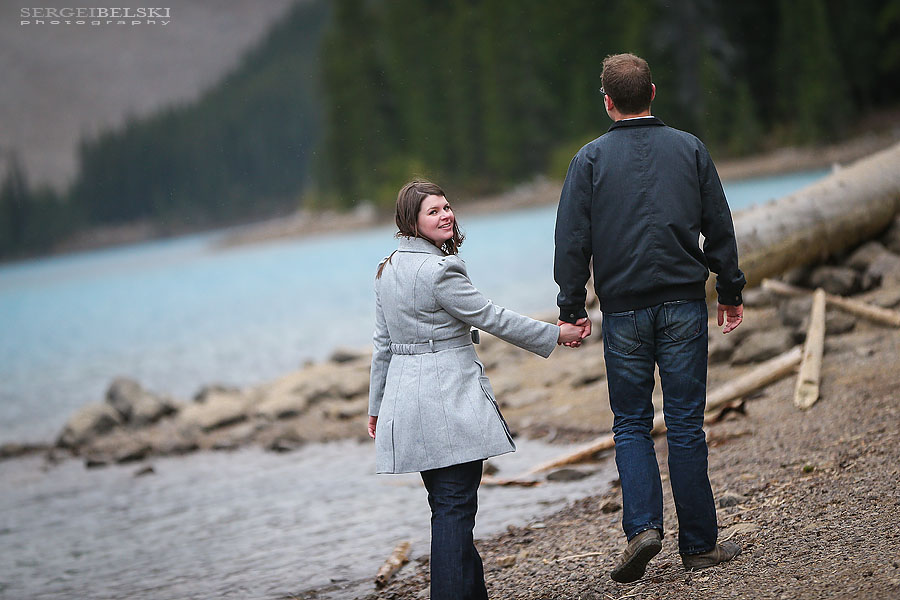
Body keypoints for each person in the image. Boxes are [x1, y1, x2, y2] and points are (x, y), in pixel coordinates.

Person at [553, 53, 746, 583]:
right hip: (685, 303)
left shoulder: (588, 161)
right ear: (653, 93)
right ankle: (701, 546)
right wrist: (729, 289)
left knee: (631, 423)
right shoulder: (690, 149)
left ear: (608, 101)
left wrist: (572, 307)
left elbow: (571, 241)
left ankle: (642, 528)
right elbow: (720, 227)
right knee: (686, 424)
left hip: (624, 311)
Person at [368, 180, 585, 600]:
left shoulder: (386, 268)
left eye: (447, 207)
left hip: (407, 402)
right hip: (447, 401)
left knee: (447, 506)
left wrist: (377, 406)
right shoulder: (440, 270)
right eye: (433, 211)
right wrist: (556, 335)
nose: (446, 215)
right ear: (411, 221)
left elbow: (383, 346)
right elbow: (492, 317)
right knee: (454, 509)